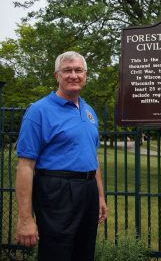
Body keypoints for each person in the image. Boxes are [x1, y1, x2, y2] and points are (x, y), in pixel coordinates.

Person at [15, 51, 107, 261]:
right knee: (57, 254)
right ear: (57, 75)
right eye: (67, 70)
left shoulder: (89, 110)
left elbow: (92, 157)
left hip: (88, 191)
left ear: (85, 75)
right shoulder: (38, 111)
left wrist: (100, 196)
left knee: (84, 253)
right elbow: (25, 166)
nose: (73, 75)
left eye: (78, 70)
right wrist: (25, 218)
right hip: (56, 191)